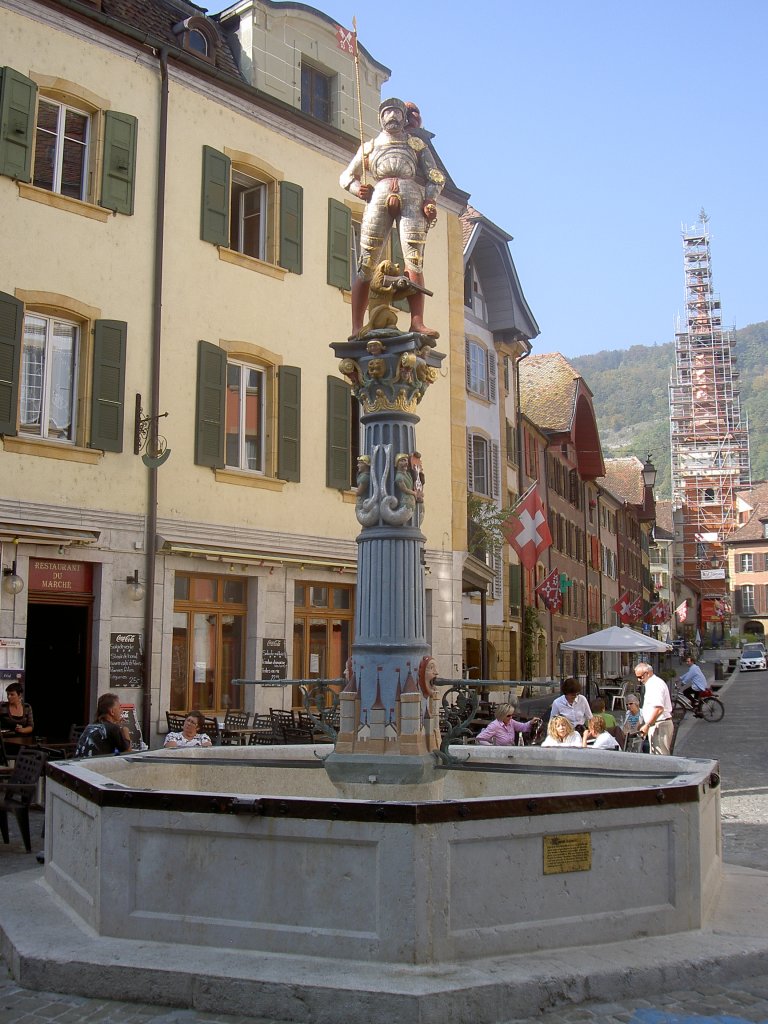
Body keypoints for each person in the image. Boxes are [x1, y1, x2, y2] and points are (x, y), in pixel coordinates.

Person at [339, 97, 446, 339]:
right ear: (380, 117)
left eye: (396, 112)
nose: (392, 117)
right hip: (380, 193)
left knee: (414, 259)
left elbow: (436, 177)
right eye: (387, 112)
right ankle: (356, 327)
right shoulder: (369, 147)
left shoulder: (416, 143)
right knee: (366, 261)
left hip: (411, 194)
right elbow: (346, 176)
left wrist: (430, 199)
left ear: (403, 116)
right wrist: (358, 189)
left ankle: (417, 322)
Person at [74, 693, 132, 758]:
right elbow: (127, 753)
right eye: (119, 708)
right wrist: (125, 731)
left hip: (78, 764)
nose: (121, 710)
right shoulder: (113, 728)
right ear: (112, 712)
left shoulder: (91, 726)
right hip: (93, 766)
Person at [635, 662, 673, 755]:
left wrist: (647, 724)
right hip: (656, 724)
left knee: (660, 756)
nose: (639, 680)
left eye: (640, 677)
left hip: (660, 724)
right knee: (657, 755)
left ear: (647, 673)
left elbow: (659, 708)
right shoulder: (652, 683)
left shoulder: (654, 685)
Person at [476, 703, 541, 746]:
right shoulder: (494, 725)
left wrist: (531, 722)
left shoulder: (511, 722)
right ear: (502, 715)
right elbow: (480, 739)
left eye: (512, 715)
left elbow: (523, 727)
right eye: (508, 716)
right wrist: (492, 747)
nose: (511, 717)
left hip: (510, 751)